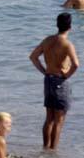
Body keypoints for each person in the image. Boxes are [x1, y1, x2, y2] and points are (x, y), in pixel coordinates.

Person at [29, 12, 79, 149]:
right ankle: (53, 150)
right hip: (59, 82)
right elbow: (76, 64)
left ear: (57, 25)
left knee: (49, 118)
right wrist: (66, 76)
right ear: (70, 27)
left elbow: (33, 57)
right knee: (59, 120)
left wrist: (44, 71)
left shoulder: (47, 40)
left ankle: (45, 147)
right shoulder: (67, 44)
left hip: (48, 80)